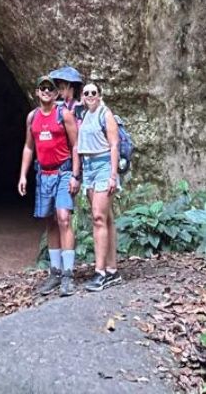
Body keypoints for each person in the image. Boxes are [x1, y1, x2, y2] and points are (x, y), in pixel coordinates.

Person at [18, 75, 81, 296]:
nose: (46, 91)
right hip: (43, 174)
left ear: (56, 94)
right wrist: (23, 176)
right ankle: (55, 273)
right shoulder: (32, 117)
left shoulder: (63, 115)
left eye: (50, 89)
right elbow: (28, 147)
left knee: (63, 218)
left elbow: (76, 146)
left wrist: (75, 175)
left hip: (63, 172)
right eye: (42, 88)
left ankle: (68, 275)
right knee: (51, 222)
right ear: (37, 92)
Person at [76, 81, 121, 291]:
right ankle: (112, 270)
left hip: (103, 167)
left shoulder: (105, 113)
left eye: (94, 92)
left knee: (98, 218)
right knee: (106, 218)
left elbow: (114, 145)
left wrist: (113, 176)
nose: (90, 95)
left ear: (100, 95)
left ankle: (100, 271)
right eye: (87, 93)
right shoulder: (84, 115)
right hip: (89, 168)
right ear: (82, 96)